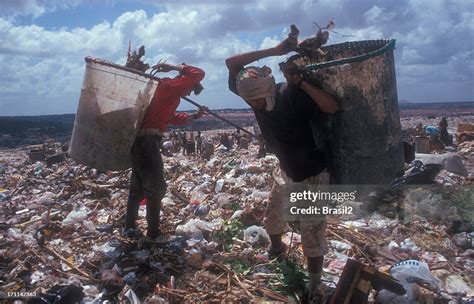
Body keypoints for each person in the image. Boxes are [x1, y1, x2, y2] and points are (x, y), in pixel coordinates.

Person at [226, 38, 338, 301]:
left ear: (267, 91)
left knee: (311, 231)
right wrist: (275, 50)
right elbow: (232, 63)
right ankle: (276, 249)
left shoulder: (291, 96)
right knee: (274, 214)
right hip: (285, 169)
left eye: (257, 101)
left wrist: (302, 83)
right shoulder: (250, 90)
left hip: (312, 174)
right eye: (250, 102)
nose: (254, 106)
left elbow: (332, 107)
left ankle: (314, 284)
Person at [124, 62, 207, 241]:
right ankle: (153, 233)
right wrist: (172, 66)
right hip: (147, 142)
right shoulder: (171, 86)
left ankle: (129, 227)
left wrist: (195, 116)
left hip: (141, 142)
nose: (187, 94)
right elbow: (198, 72)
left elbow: (171, 118)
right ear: (185, 82)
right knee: (155, 189)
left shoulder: (169, 93)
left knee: (137, 189)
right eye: (189, 90)